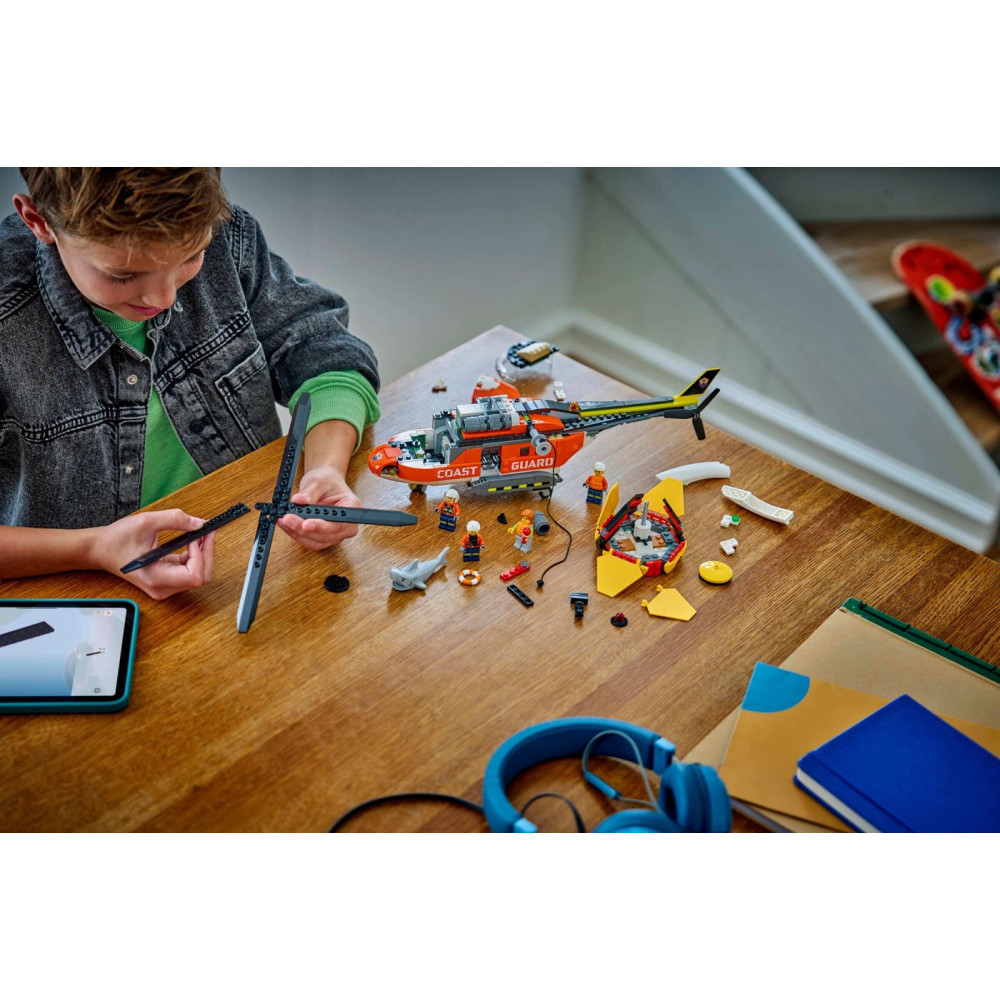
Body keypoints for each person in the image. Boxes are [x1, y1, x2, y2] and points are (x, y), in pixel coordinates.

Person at [0, 168, 380, 599]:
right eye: (124, 275)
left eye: (191, 257)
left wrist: (325, 468)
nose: (163, 300)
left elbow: (325, 353)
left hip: (253, 554)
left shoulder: (226, 236)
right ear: (39, 221)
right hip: (78, 596)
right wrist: (92, 548)